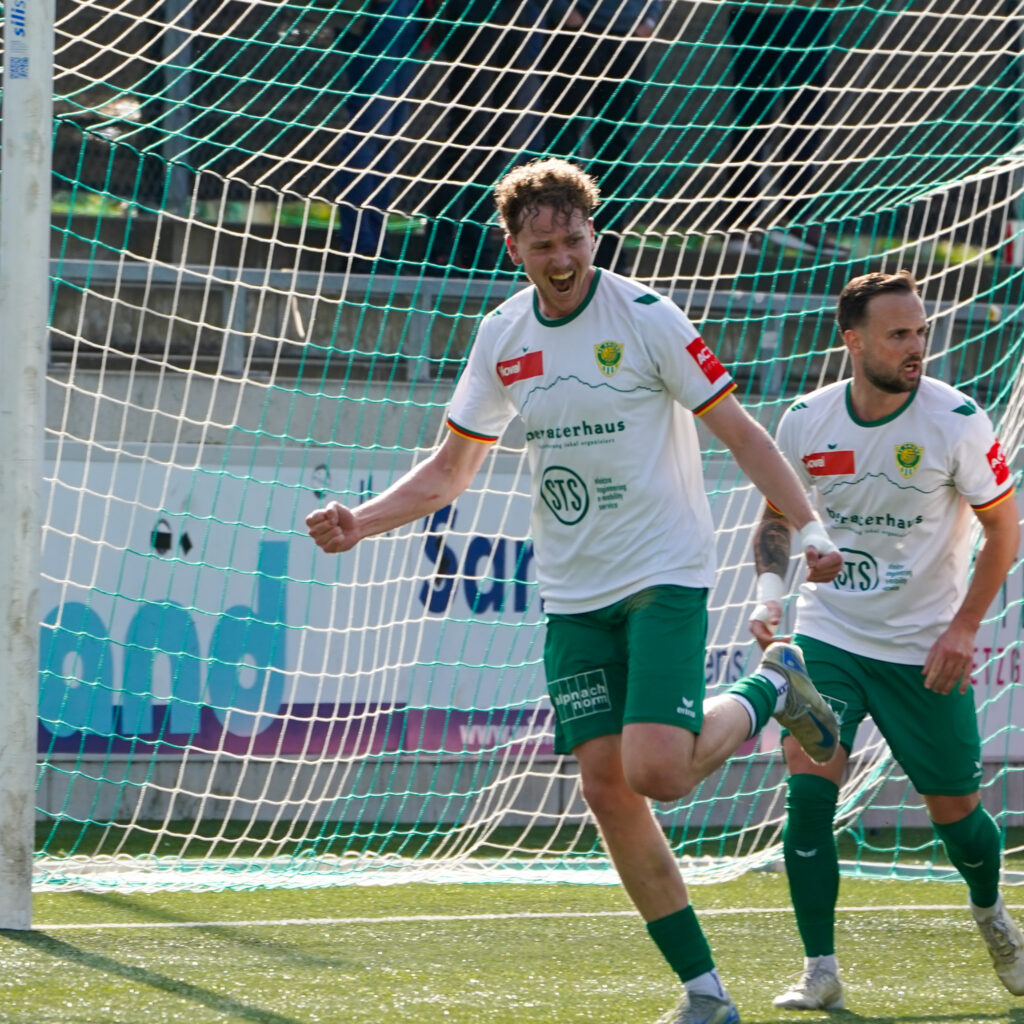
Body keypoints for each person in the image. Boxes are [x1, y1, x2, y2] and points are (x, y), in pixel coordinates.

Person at [308, 157, 844, 1024]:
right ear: (512, 247)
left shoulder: (647, 317)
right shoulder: (502, 335)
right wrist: (360, 521)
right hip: (572, 592)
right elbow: (450, 470)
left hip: (662, 573)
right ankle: (705, 993)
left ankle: (771, 686)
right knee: (605, 790)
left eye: (574, 240)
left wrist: (809, 526)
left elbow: (742, 434)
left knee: (656, 772)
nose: (562, 259)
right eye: (543, 245)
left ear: (595, 234)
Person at [749, 270, 1023, 1009]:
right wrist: (771, 592)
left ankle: (992, 914)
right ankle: (820, 970)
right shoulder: (805, 419)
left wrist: (964, 628)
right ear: (854, 340)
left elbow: (1005, 529)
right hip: (830, 634)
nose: (916, 346)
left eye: (921, 332)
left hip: (924, 647)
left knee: (957, 816)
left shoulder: (957, 420)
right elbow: (776, 514)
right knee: (808, 787)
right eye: (899, 333)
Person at [539, 1, 662, 271]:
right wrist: (566, 13)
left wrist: (650, 20)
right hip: (574, 34)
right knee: (561, 145)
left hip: (628, 39)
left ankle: (609, 255)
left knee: (616, 150)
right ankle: (555, 247)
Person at [721, 2, 846, 257]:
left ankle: (794, 220)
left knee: (805, 118)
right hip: (754, 13)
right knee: (752, 119)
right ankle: (742, 224)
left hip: (809, 13)